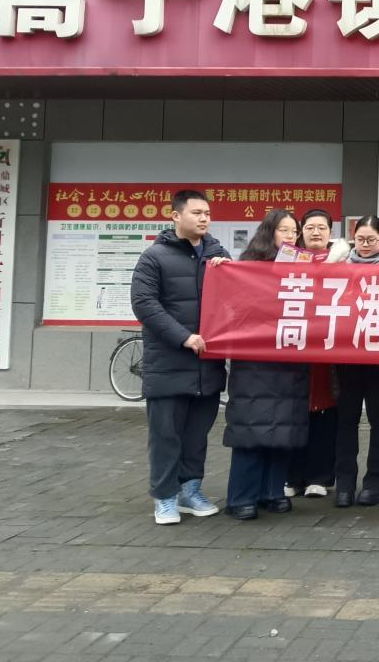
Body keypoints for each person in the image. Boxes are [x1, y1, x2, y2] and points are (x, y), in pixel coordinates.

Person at [130, 188, 230, 526]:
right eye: (196, 213)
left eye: (207, 213)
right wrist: (184, 337)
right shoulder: (154, 257)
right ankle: (165, 497)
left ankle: (190, 491)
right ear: (175, 216)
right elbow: (144, 304)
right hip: (169, 364)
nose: (204, 219)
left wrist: (229, 272)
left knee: (196, 435)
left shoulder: (218, 256)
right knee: (166, 436)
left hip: (207, 365)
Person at [223, 209, 311, 520]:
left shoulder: (303, 266)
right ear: (268, 232)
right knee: (252, 428)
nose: (290, 236)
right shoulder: (248, 265)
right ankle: (241, 496)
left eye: (294, 231)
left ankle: (272, 492)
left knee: (283, 430)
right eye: (284, 230)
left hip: (290, 358)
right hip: (255, 360)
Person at [284, 208, 348, 500]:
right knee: (294, 411)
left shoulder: (342, 259)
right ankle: (292, 475)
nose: (316, 232)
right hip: (294, 344)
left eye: (322, 227)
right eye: (310, 227)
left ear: (330, 232)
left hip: (328, 348)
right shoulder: (288, 258)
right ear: (301, 231)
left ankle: (320, 477)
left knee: (326, 411)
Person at [334, 216, 379, 508]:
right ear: (353, 238)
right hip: (346, 359)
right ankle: (344, 485)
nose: (366, 245)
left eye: (372, 240)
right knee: (346, 421)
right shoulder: (340, 268)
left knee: (378, 420)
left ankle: (375, 485)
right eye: (361, 239)